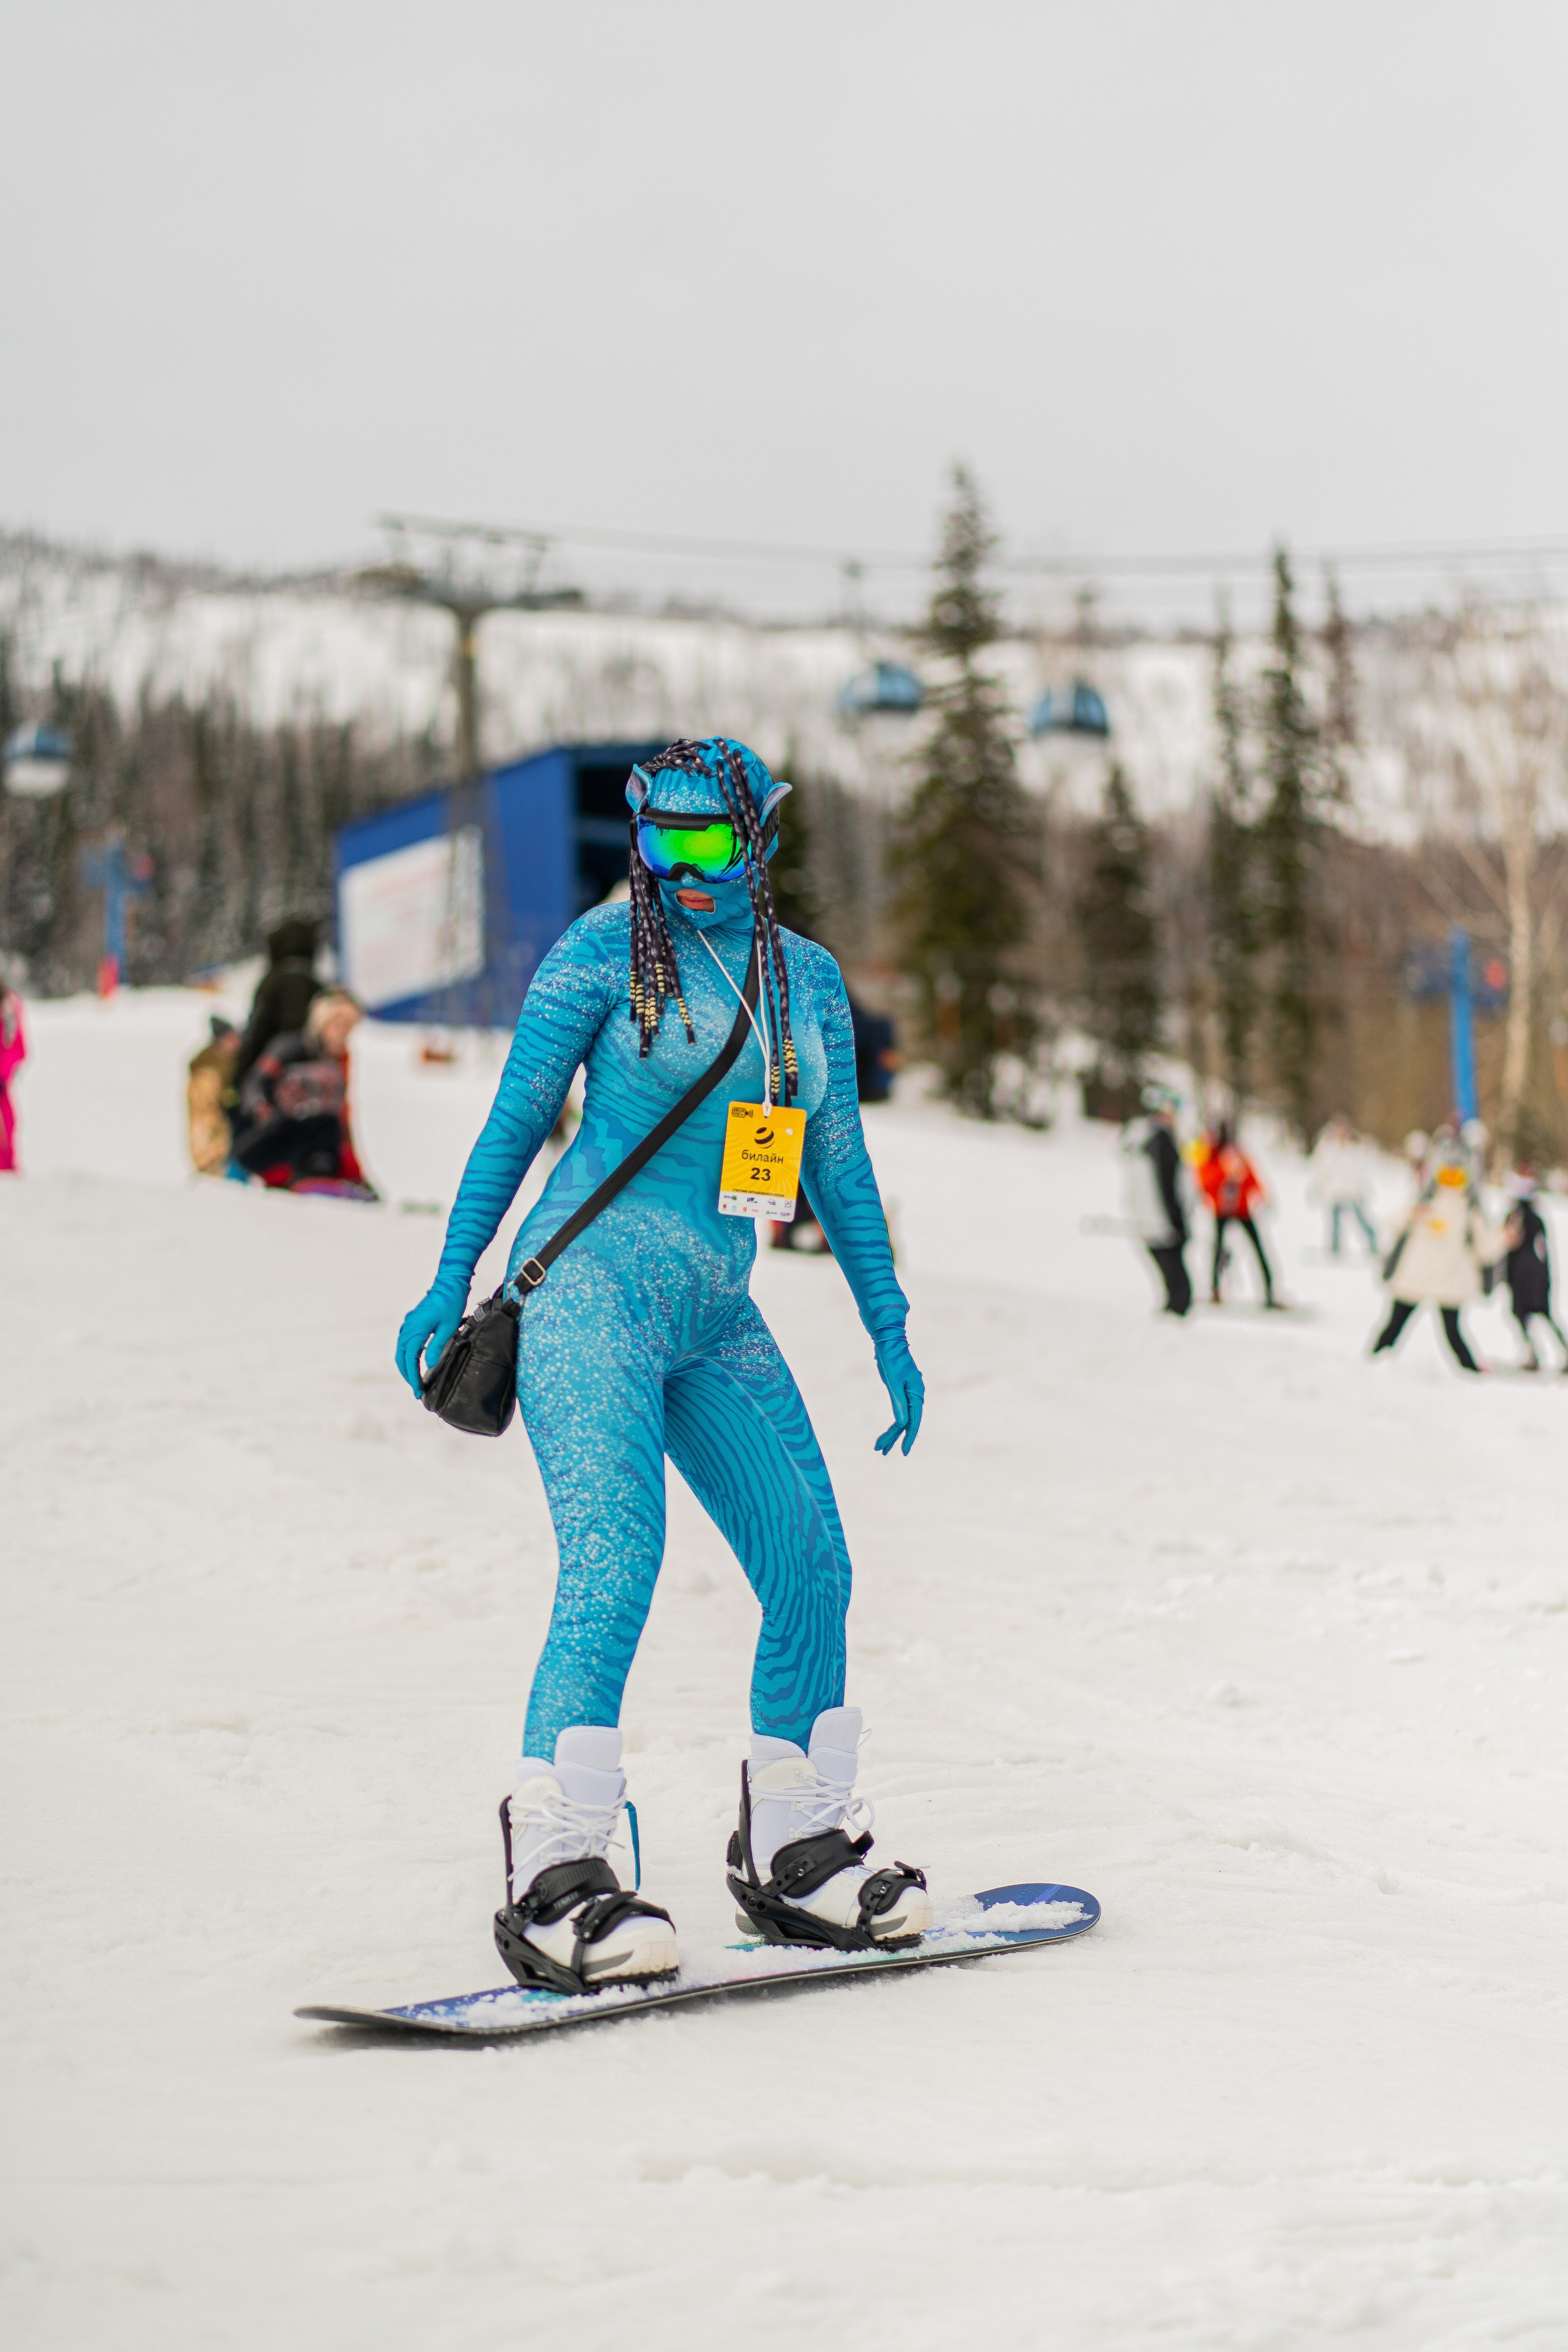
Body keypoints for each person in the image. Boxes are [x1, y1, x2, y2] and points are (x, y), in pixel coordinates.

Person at [396, 737, 929, 1997]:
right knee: (616, 1553)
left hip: (712, 1311)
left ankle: (795, 1844)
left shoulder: (803, 981)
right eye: (655, 840)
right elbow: (517, 1121)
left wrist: (888, 1322)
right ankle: (555, 1868)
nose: (677, 870)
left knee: (812, 1560)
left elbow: (836, 1170)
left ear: (763, 836)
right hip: (584, 1299)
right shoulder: (597, 953)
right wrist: (449, 1275)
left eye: (705, 842)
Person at [1370, 1136, 1504, 1373]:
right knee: (1394, 1324)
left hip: (1449, 1281)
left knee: (1453, 1331)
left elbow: (1485, 1248)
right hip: (1415, 1277)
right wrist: (1412, 1214)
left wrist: (1504, 1238)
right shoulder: (1423, 1202)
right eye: (1446, 1175)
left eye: (1458, 1176)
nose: (1451, 1182)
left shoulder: (1470, 1210)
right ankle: (1373, 1361)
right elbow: (1390, 1222)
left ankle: (1471, 1370)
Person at [230, 989, 372, 1193]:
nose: (343, 1034)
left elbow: (340, 1116)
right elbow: (254, 1085)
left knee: (326, 1124)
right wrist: (265, 1111)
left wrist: (355, 1173)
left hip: (311, 1146)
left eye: (349, 1028)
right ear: (323, 1023)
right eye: (339, 1025)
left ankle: (319, 1180)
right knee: (314, 1122)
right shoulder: (290, 1048)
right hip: (268, 1137)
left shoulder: (339, 1061)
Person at [230, 916, 322, 1099]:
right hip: (313, 1075)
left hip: (273, 1072)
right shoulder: (316, 983)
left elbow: (257, 1030)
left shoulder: (273, 981)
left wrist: (238, 1077)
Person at [1119, 1087, 1191, 1314]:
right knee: (1180, 1293)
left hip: (1147, 1223)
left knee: (1174, 1289)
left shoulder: (1141, 1137)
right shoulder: (1160, 1141)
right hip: (1162, 1224)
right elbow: (1166, 1186)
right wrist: (1177, 1221)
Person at [1195, 1121, 1278, 1306]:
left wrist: (1261, 1196)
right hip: (1221, 1211)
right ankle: (1215, 1290)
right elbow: (1204, 1183)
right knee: (1217, 1251)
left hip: (1241, 1210)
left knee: (1258, 1249)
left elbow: (1251, 1176)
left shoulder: (1236, 1155)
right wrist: (1226, 1174)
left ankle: (1270, 1292)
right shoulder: (1210, 1157)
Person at [1501, 1172, 1567, 1371]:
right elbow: (1543, 1250)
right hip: (1535, 1275)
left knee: (1523, 1314)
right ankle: (1543, 1353)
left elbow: (1508, 1244)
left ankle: (1533, 1355)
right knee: (1542, 1315)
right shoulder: (1533, 1218)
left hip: (1522, 1275)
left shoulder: (1516, 1217)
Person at [1307, 1113, 1378, 1255]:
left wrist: (1365, 1189)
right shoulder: (1329, 1149)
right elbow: (1322, 1172)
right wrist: (1316, 1188)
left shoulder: (1354, 1149)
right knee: (1334, 1225)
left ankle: (1373, 1246)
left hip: (1352, 1193)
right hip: (1335, 1193)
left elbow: (1360, 1172)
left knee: (1362, 1222)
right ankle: (1335, 1249)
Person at [0, 976, 25, 1173]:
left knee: (7, 1125)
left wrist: (3, 1074)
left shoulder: (10, 1005)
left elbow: (18, 1048)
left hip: (2, 1086)